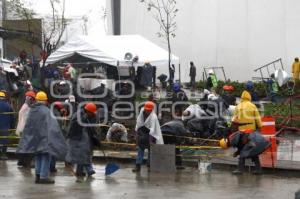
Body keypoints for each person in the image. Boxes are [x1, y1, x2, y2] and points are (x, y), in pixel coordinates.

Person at [17, 91, 67, 184]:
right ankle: (44, 177)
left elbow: (28, 126)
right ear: (45, 100)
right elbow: (53, 126)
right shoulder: (46, 111)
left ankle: (38, 175)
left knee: (38, 156)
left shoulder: (32, 110)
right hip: (45, 138)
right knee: (46, 156)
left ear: (36, 99)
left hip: (35, 138)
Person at [230, 90, 265, 175]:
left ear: (242, 97)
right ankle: (258, 169)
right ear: (249, 97)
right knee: (253, 150)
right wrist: (260, 128)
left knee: (242, 149)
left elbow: (234, 120)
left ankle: (240, 169)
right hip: (251, 132)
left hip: (242, 133)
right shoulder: (252, 106)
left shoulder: (238, 106)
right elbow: (258, 119)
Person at [66, 103, 100, 177]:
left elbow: (93, 127)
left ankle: (80, 171)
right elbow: (74, 126)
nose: (92, 114)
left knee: (84, 154)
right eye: (91, 113)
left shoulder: (92, 116)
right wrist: (83, 118)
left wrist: (96, 138)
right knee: (82, 154)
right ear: (87, 111)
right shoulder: (78, 115)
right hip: (77, 138)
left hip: (87, 137)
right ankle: (88, 169)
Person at [132, 101, 164, 172]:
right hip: (142, 133)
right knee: (140, 150)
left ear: (151, 110)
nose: (147, 111)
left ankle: (150, 166)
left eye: (149, 110)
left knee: (151, 151)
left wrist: (150, 141)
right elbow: (138, 124)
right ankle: (138, 166)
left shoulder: (153, 117)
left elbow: (153, 130)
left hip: (151, 135)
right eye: (147, 109)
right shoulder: (141, 113)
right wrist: (136, 135)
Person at [16, 91, 36, 168]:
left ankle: (21, 161)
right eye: (33, 99)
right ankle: (27, 162)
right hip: (26, 129)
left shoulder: (25, 106)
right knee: (28, 146)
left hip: (23, 129)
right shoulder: (27, 108)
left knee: (24, 145)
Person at [0, 91, 14, 160]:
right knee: (4, 140)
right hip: (5, 127)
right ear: (4, 97)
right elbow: (12, 118)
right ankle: (3, 155)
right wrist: (12, 127)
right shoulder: (8, 106)